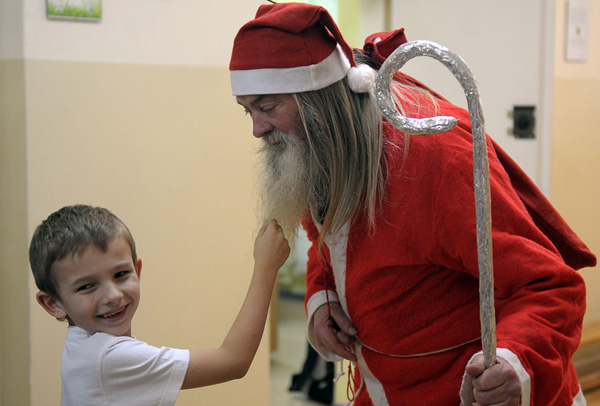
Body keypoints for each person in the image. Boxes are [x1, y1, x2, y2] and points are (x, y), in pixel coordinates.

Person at [229, 3, 597, 406]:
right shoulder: (321, 153)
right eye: (248, 110)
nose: (256, 129)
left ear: (323, 105)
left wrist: (515, 363)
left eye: (267, 108)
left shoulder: (436, 157)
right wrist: (321, 301)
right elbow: (328, 237)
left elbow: (549, 287)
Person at [29, 204, 290, 406]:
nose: (113, 295)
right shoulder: (109, 358)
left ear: (137, 270)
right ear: (53, 303)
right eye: (86, 286)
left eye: (121, 274)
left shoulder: (81, 342)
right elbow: (234, 361)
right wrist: (266, 267)